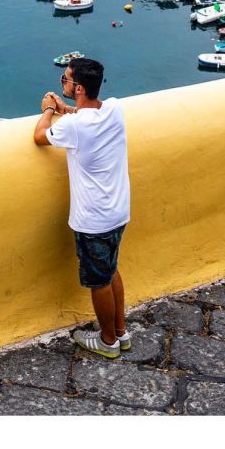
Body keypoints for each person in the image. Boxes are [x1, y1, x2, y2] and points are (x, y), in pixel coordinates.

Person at [33, 57, 131, 359]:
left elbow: (39, 137)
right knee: (111, 269)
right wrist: (67, 109)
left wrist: (50, 109)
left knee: (99, 281)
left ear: (77, 87)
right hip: (118, 211)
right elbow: (87, 116)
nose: (62, 83)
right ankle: (121, 331)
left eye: (64, 79)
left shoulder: (73, 127)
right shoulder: (114, 109)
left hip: (94, 219)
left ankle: (107, 341)